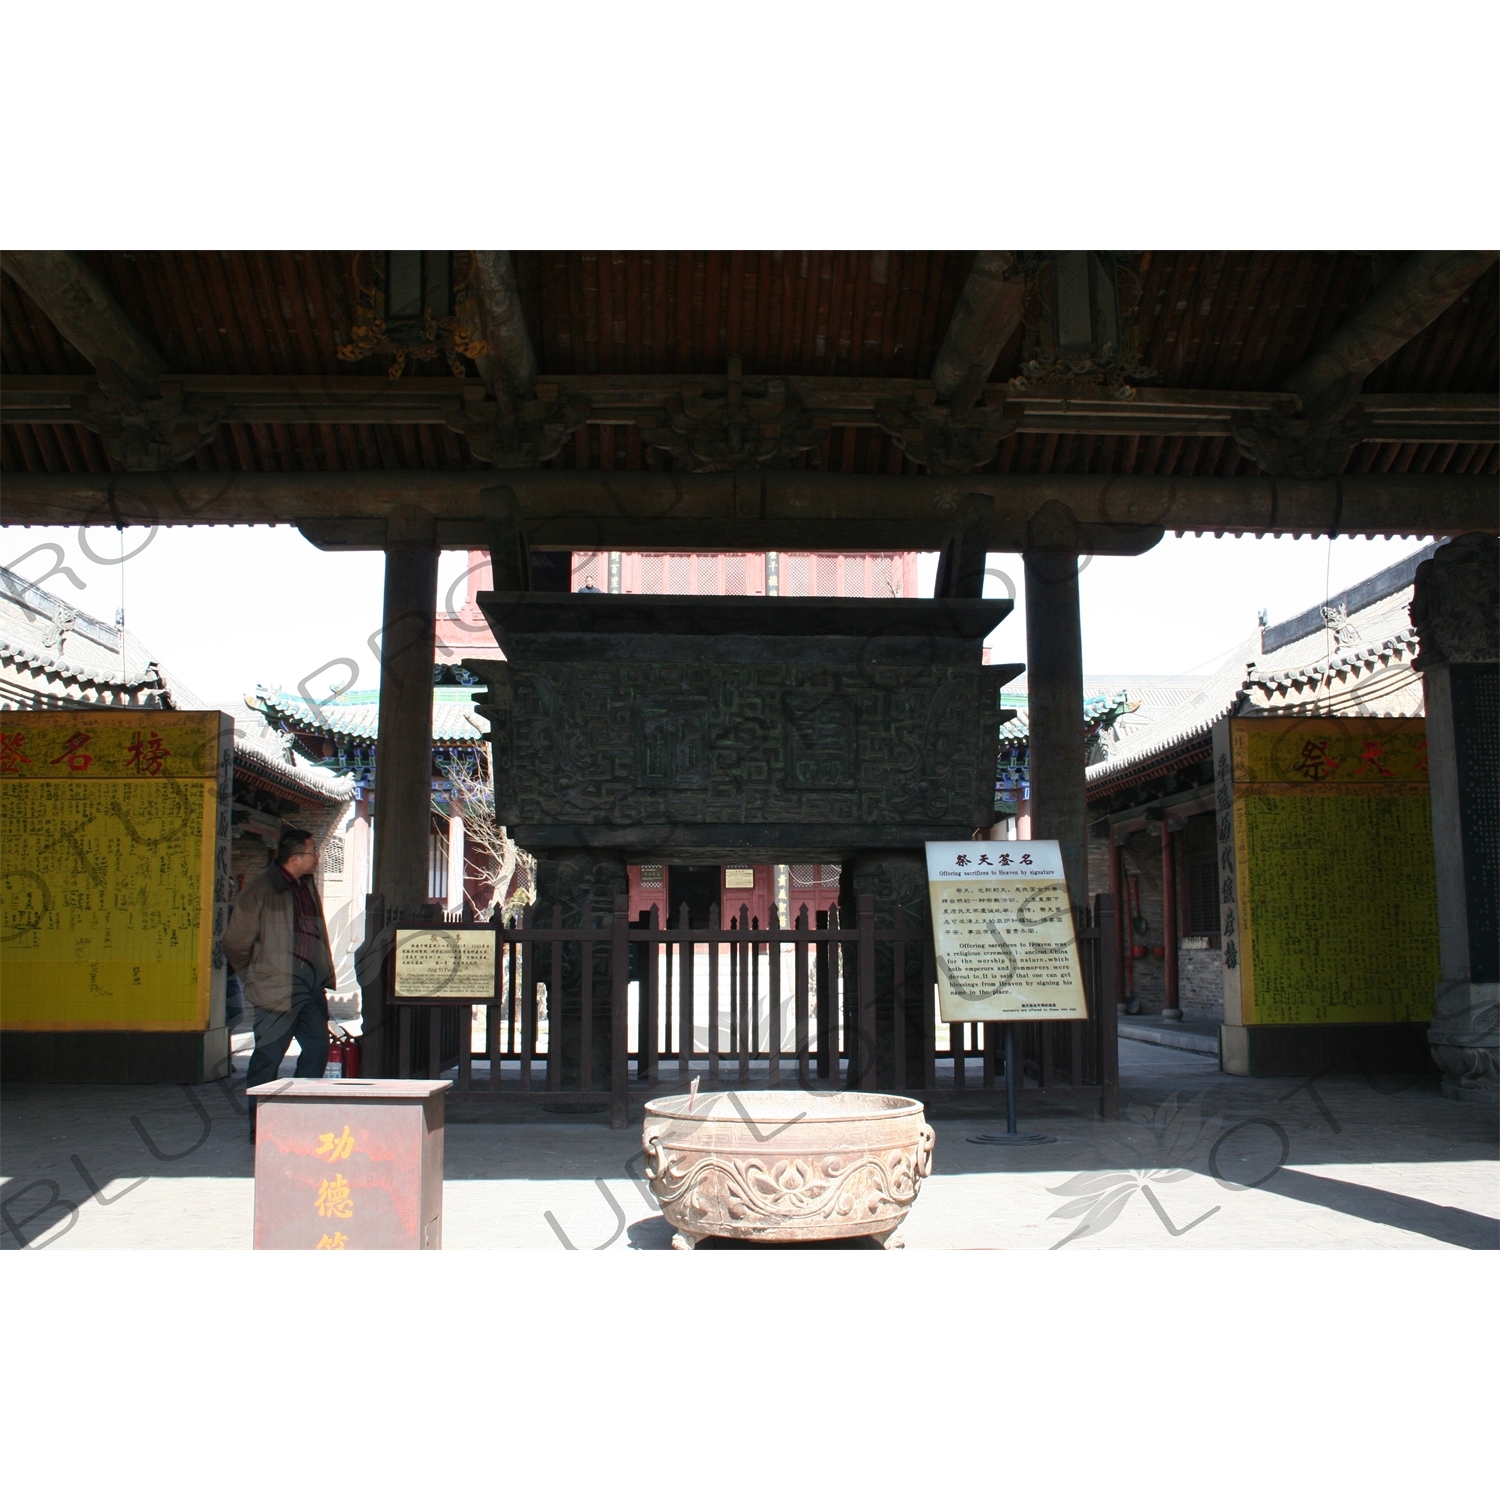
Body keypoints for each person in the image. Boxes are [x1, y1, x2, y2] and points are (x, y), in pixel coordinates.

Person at [224, 828, 335, 1139]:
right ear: (296, 858)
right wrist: (254, 974)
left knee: (316, 1049)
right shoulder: (261, 890)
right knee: (268, 1057)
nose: (317, 858)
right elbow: (235, 942)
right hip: (277, 985)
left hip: (310, 985)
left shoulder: (306, 885)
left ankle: (299, 1116)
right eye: (313, 852)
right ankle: (262, 1128)